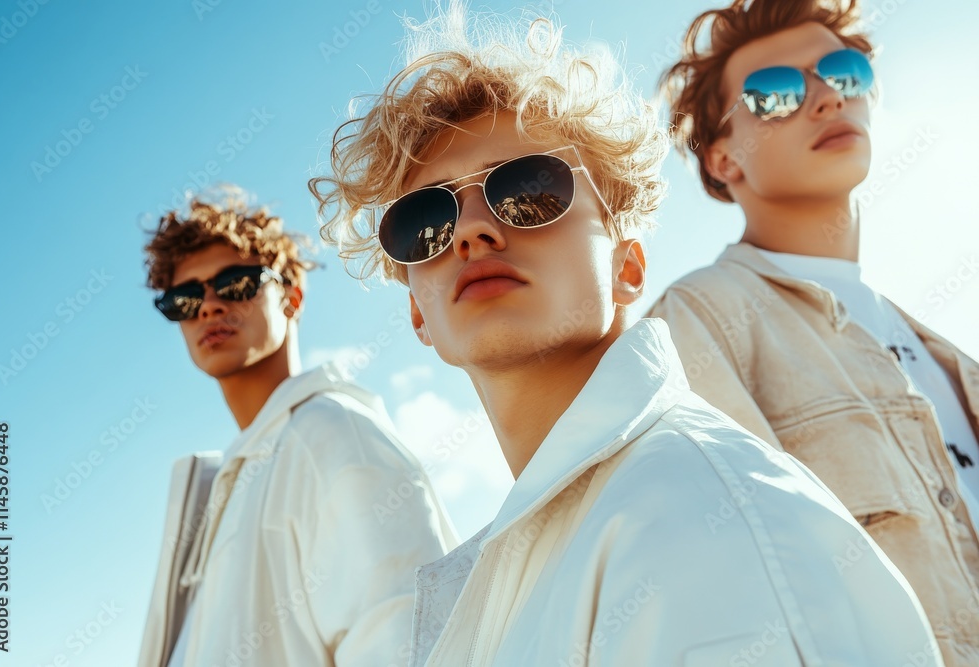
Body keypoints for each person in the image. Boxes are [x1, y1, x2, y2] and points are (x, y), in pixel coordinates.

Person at [310, 6, 942, 665]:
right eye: (425, 222)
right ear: (418, 316)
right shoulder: (524, 566)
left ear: (627, 267)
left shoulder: (696, 508)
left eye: (528, 189)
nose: (472, 230)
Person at [647, 1, 979, 664]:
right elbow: (736, 595)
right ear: (722, 159)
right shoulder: (697, 323)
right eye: (774, 94)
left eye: (843, 73)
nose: (825, 98)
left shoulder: (953, 359)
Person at [138, 188, 457, 667]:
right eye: (184, 298)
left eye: (235, 283)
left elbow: (411, 644)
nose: (207, 306)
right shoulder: (225, 488)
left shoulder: (334, 435)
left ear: (292, 297)